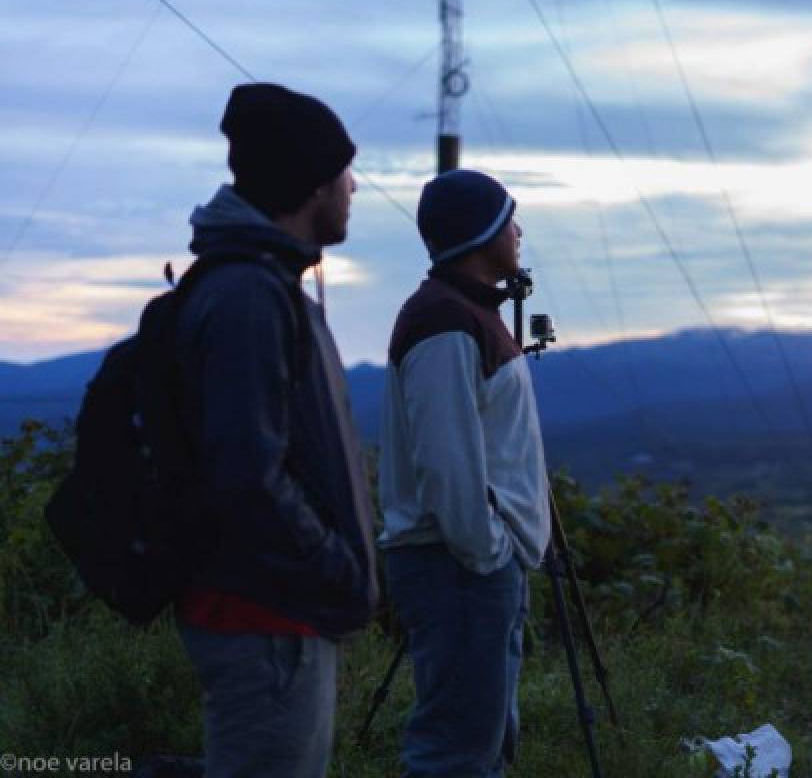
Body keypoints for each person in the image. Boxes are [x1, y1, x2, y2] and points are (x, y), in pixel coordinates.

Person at [174, 83, 379, 778]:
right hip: (265, 621)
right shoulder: (249, 297)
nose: (354, 187)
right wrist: (334, 570)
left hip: (273, 617)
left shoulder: (260, 286)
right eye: (345, 173)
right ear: (313, 186)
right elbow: (247, 474)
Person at [379, 169, 551, 777]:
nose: (519, 230)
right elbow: (446, 463)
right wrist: (488, 551)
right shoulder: (446, 322)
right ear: (481, 234)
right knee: (455, 754)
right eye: (509, 219)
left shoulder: (465, 314)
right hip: (457, 565)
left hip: (469, 565)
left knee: (480, 744)